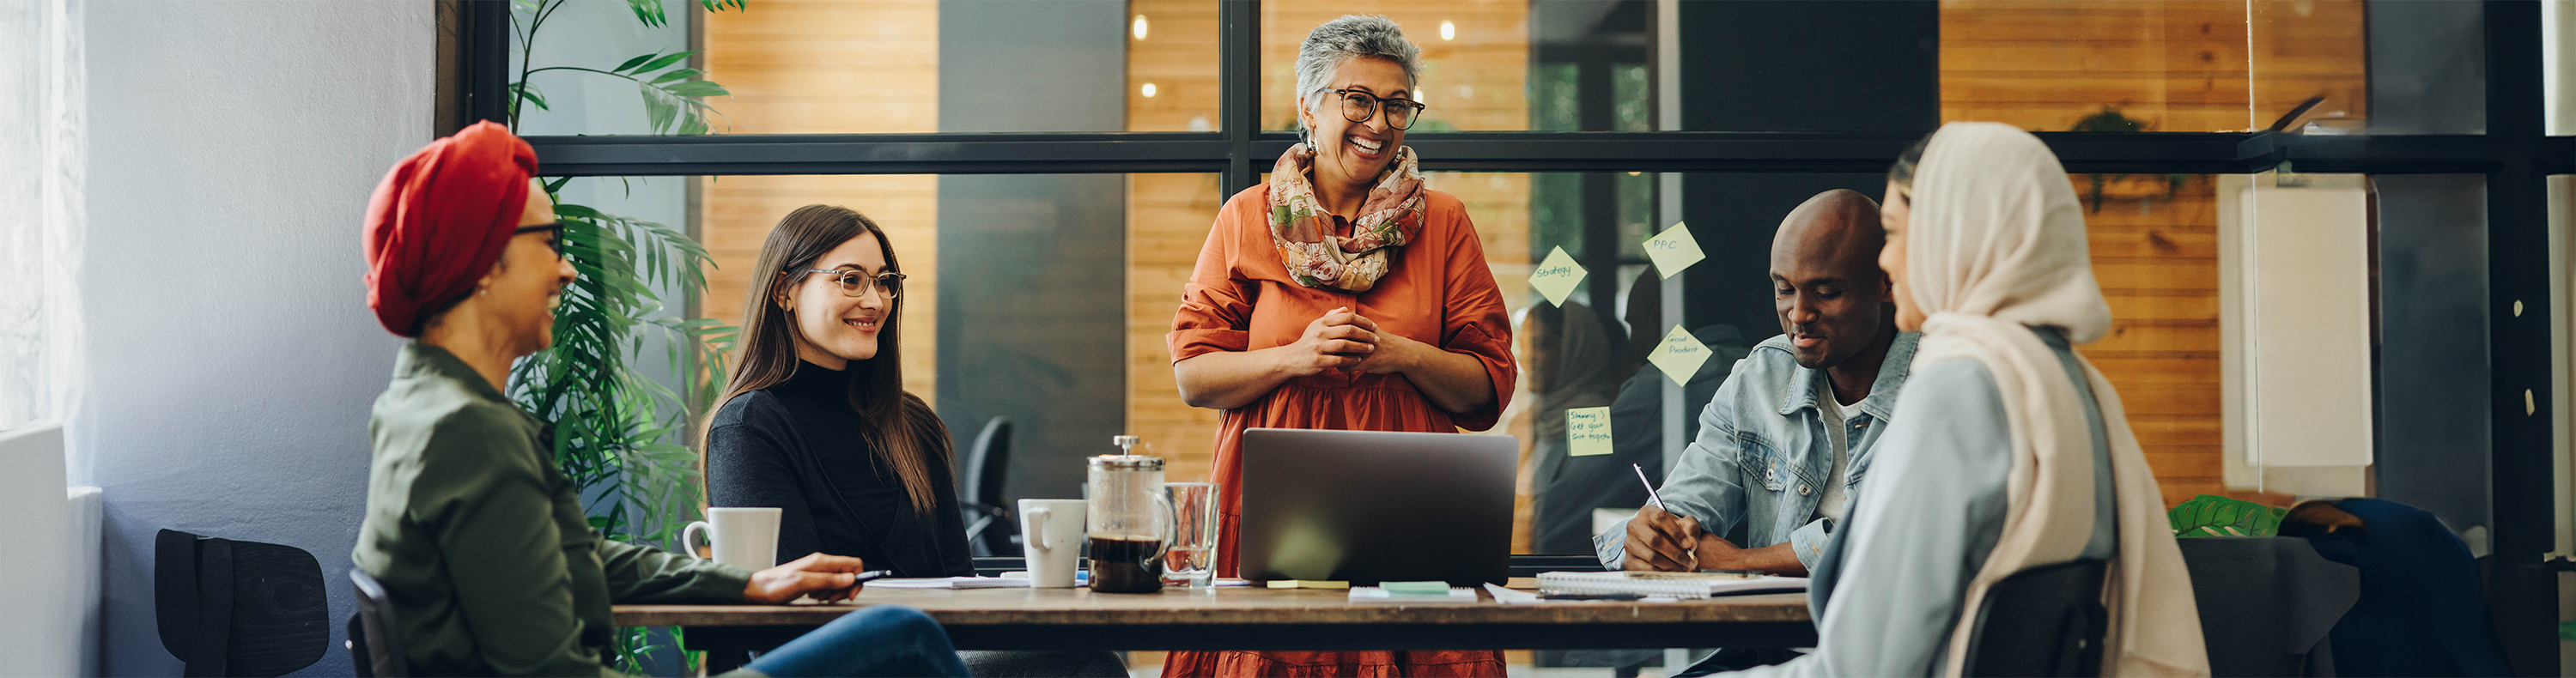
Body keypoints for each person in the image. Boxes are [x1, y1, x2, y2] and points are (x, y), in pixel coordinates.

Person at [352, 122, 975, 678]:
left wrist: (747, 582)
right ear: (483, 260)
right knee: (902, 636)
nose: (567, 270)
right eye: (550, 240)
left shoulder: (428, 408)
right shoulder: (467, 431)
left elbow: (581, 558)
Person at [1703, 122, 2208, 678]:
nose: (1888, 266)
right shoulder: (2066, 383)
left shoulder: (1957, 388)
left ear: (1957, 234)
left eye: (1894, 235)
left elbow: (1862, 667)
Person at [1163, 15, 1516, 678]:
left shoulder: (1443, 223)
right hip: (1274, 508)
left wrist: (1401, 354)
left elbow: (1489, 387)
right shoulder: (1246, 217)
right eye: (1358, 100)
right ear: (1308, 106)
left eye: (1397, 105)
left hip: (1413, 505)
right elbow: (1193, 375)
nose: (1378, 123)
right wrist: (1295, 357)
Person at [703, 204, 1124, 678]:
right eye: (849, 279)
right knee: (1081, 660)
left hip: (931, 656)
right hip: (833, 665)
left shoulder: (911, 423)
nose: (875, 300)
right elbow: (788, 618)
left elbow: (958, 583)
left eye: (884, 281)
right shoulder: (749, 428)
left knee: (1085, 654)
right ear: (784, 290)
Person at [1602, 190, 1919, 578]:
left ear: (1886, 284)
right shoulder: (1759, 378)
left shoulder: (1938, 383)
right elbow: (1681, 511)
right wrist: (1652, 539)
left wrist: (1742, 562)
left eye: (1826, 293)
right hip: (1763, 637)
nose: (1799, 314)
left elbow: (1897, 541)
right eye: (1784, 289)